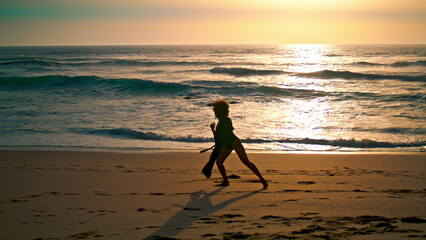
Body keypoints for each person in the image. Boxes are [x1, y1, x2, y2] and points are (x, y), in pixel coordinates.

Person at [204, 99, 268, 189]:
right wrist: (212, 129)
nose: (214, 111)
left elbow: (223, 136)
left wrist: (218, 137)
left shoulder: (226, 120)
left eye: (215, 109)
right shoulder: (221, 121)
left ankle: (262, 180)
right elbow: (218, 138)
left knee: (245, 161)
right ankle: (226, 181)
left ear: (219, 110)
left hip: (234, 142)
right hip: (227, 144)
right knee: (219, 162)